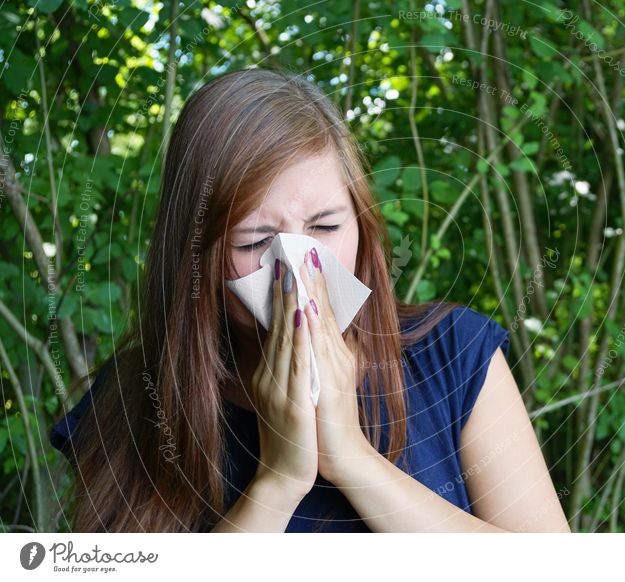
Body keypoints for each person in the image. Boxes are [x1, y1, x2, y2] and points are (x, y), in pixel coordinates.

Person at [50, 67, 570, 533]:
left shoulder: (454, 355)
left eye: (325, 225)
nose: (300, 269)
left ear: (362, 225)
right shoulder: (128, 399)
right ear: (194, 254)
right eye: (255, 241)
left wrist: (352, 458)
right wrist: (277, 482)